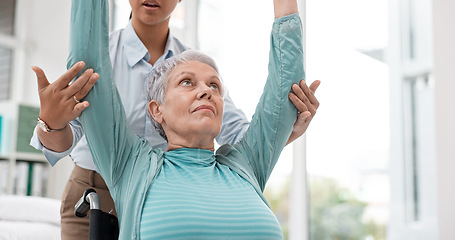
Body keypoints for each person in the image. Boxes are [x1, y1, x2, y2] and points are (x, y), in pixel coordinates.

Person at [30, 0, 318, 239]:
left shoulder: (243, 164)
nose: (205, 90)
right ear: (156, 109)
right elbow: (87, 56)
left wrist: (283, 128)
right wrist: (50, 123)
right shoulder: (131, 163)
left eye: (214, 86)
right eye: (188, 83)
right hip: (97, 185)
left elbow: (274, 109)